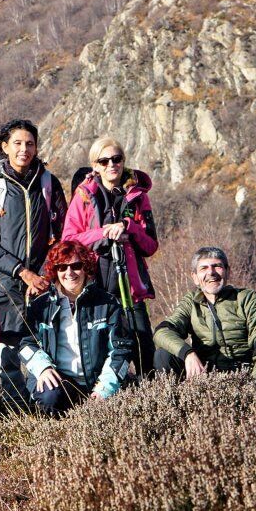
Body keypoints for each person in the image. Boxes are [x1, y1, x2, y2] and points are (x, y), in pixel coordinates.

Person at [0, 118, 67, 403]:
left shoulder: (49, 184)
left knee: (45, 347)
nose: (24, 149)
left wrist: (44, 275)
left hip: (42, 282)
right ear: (5, 147)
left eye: (29, 144)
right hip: (3, 284)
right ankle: (16, 415)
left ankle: (45, 408)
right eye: (17, 143)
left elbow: (62, 236)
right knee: (9, 352)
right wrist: (22, 272)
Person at [62, 138, 159, 376]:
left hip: (131, 287)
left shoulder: (138, 196)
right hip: (97, 285)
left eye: (116, 159)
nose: (111, 165)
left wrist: (128, 227)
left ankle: (151, 399)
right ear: (95, 166)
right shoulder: (83, 196)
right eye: (103, 161)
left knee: (143, 348)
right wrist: (105, 234)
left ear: (124, 161)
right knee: (101, 352)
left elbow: (151, 245)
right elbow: (69, 239)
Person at [17, 240, 133, 416]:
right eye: (62, 267)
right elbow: (26, 344)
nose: (69, 272)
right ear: (55, 271)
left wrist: (105, 388)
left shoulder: (108, 304)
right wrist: (43, 368)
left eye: (76, 266)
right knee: (49, 398)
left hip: (98, 382)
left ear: (86, 267)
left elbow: (121, 350)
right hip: (59, 379)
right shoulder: (40, 306)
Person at [154, 247, 256, 380]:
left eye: (217, 266)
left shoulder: (247, 299)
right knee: (163, 354)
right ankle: (175, 400)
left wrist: (254, 384)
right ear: (195, 277)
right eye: (204, 268)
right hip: (203, 376)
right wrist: (188, 353)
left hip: (243, 377)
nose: (211, 272)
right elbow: (162, 331)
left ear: (227, 272)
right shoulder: (191, 302)